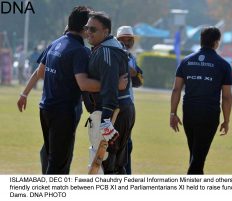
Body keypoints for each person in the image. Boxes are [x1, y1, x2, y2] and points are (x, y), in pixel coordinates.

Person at [17, 6, 120, 175]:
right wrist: (112, 83)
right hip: (63, 113)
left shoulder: (56, 43)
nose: (90, 31)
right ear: (83, 28)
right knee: (59, 163)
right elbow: (84, 84)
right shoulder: (79, 50)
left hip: (45, 108)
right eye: (89, 27)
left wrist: (24, 94)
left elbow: (40, 72)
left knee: (49, 154)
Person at [170, 26, 232, 174]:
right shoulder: (223, 65)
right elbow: (227, 96)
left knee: (196, 156)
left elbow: (176, 89)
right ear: (217, 42)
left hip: (189, 113)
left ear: (201, 40)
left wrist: (173, 113)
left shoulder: (186, 61)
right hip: (209, 115)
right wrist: (226, 120)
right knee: (197, 160)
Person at [83, 11, 135, 174]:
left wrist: (106, 121)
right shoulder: (102, 48)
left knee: (110, 165)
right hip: (115, 111)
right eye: (87, 28)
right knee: (113, 165)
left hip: (114, 113)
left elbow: (110, 88)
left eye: (93, 29)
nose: (88, 32)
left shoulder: (107, 51)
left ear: (106, 32)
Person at [116, 26, 144, 174]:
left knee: (127, 145)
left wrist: (134, 73)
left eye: (129, 40)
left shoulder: (131, 58)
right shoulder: (113, 54)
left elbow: (140, 81)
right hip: (114, 106)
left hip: (128, 106)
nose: (126, 43)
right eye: (122, 39)